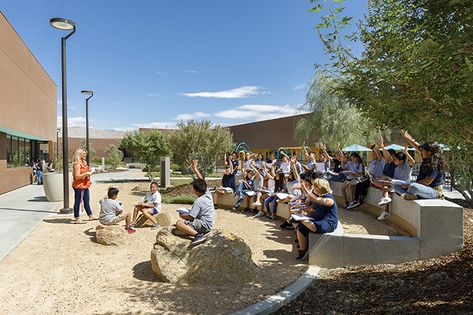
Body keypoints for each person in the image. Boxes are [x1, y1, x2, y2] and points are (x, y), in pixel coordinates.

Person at [295, 178, 339, 260]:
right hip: (318, 220)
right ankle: (302, 250)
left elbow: (318, 200)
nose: (313, 187)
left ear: (320, 187)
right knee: (301, 229)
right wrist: (304, 212)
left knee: (307, 223)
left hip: (329, 223)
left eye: (315, 186)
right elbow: (312, 208)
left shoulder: (329, 198)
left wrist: (304, 187)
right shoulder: (317, 197)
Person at [397, 131, 447, 200]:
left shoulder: (435, 163)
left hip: (434, 191)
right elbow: (417, 146)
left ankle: (412, 195)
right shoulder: (427, 157)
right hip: (422, 187)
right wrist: (408, 137)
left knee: (414, 187)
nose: (420, 151)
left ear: (429, 152)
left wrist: (410, 185)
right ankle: (412, 195)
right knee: (396, 185)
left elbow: (427, 181)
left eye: (423, 150)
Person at [175, 160, 215, 245]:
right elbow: (201, 180)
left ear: (197, 191)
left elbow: (191, 217)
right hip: (209, 223)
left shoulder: (199, 201)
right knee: (180, 227)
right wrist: (195, 168)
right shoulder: (207, 193)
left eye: (193, 188)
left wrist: (182, 215)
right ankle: (191, 231)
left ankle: (198, 235)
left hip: (204, 225)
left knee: (179, 223)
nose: (192, 189)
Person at [376, 149, 415, 220]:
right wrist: (388, 179)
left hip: (405, 185)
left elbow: (412, 161)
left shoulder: (407, 166)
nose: (394, 161)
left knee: (385, 185)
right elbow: (395, 179)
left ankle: (386, 208)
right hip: (397, 185)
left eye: (396, 159)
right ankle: (386, 205)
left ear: (401, 161)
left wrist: (406, 153)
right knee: (384, 186)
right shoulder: (396, 169)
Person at [72, 148, 96, 224]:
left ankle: (90, 216)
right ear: (79, 154)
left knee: (86, 201)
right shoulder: (77, 164)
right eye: (84, 154)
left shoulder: (84, 163)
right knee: (77, 202)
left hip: (85, 185)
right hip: (79, 186)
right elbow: (76, 176)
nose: (85, 155)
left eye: (85, 154)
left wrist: (90, 174)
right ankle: (77, 218)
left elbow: (85, 173)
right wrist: (86, 174)